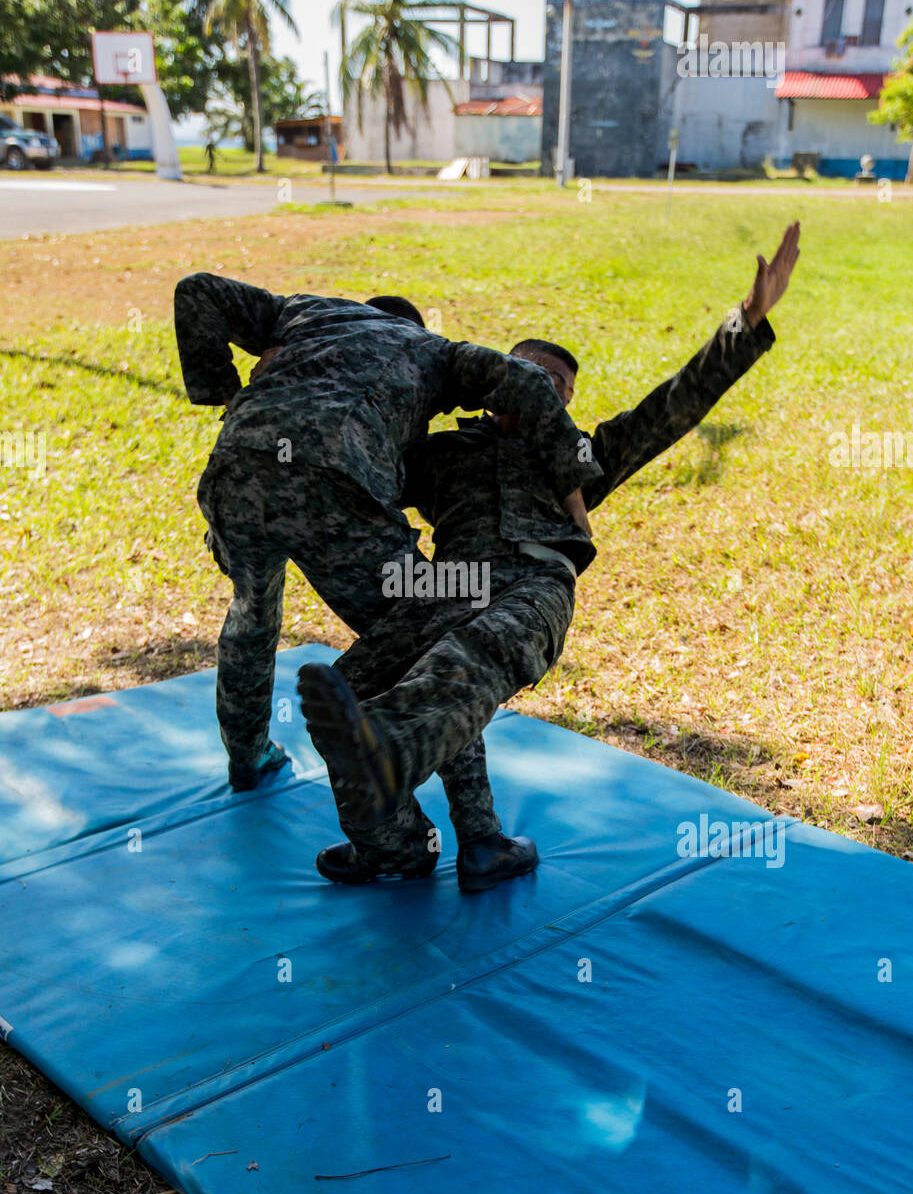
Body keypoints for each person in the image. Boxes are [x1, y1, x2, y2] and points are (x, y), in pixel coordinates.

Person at [298, 223, 801, 892]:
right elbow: (362, 460)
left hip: (534, 582)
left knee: (465, 659)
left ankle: (392, 753)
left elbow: (671, 407)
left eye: (559, 385)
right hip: (447, 582)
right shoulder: (443, 452)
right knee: (353, 685)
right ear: (497, 378)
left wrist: (746, 319)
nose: (545, 387)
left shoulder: (579, 457)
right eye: (530, 372)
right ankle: (411, 842)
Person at [173, 276, 593, 828]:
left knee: (252, 614)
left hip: (237, 469)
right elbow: (531, 384)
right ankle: (469, 832)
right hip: (336, 480)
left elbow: (197, 289)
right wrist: (574, 497)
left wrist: (227, 394)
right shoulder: (436, 353)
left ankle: (247, 757)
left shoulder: (305, 314)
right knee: (422, 633)